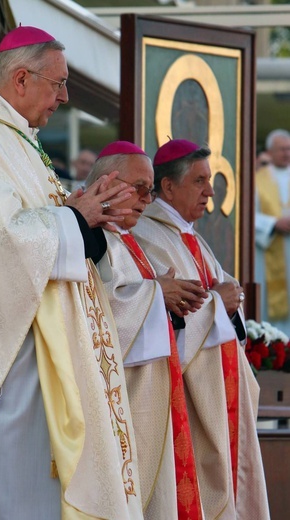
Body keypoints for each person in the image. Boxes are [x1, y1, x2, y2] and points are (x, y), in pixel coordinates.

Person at [0, 26, 144, 520]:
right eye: (59, 83)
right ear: (21, 79)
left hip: (36, 353)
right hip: (7, 362)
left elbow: (30, 228)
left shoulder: (18, 142)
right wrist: (75, 218)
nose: (65, 97)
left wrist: (77, 214)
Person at [133, 139, 270, 519]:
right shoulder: (149, 236)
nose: (211, 190)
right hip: (190, 396)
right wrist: (218, 302)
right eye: (199, 181)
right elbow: (169, 314)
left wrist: (228, 300)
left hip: (217, 387)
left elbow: (219, 297)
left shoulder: (189, 235)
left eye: (209, 180)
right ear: (169, 187)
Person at [87, 141, 208, 519]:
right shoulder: (94, 238)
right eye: (138, 188)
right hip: (124, 398)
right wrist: (157, 294)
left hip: (155, 387)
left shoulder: (124, 238)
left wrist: (163, 296)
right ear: (107, 181)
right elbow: (94, 311)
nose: (146, 199)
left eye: (149, 190)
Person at [255, 129, 290, 335]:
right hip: (270, 249)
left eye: (289, 149)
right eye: (281, 149)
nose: (286, 153)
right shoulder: (257, 179)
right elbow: (248, 215)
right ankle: (275, 347)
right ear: (270, 151)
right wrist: (273, 223)